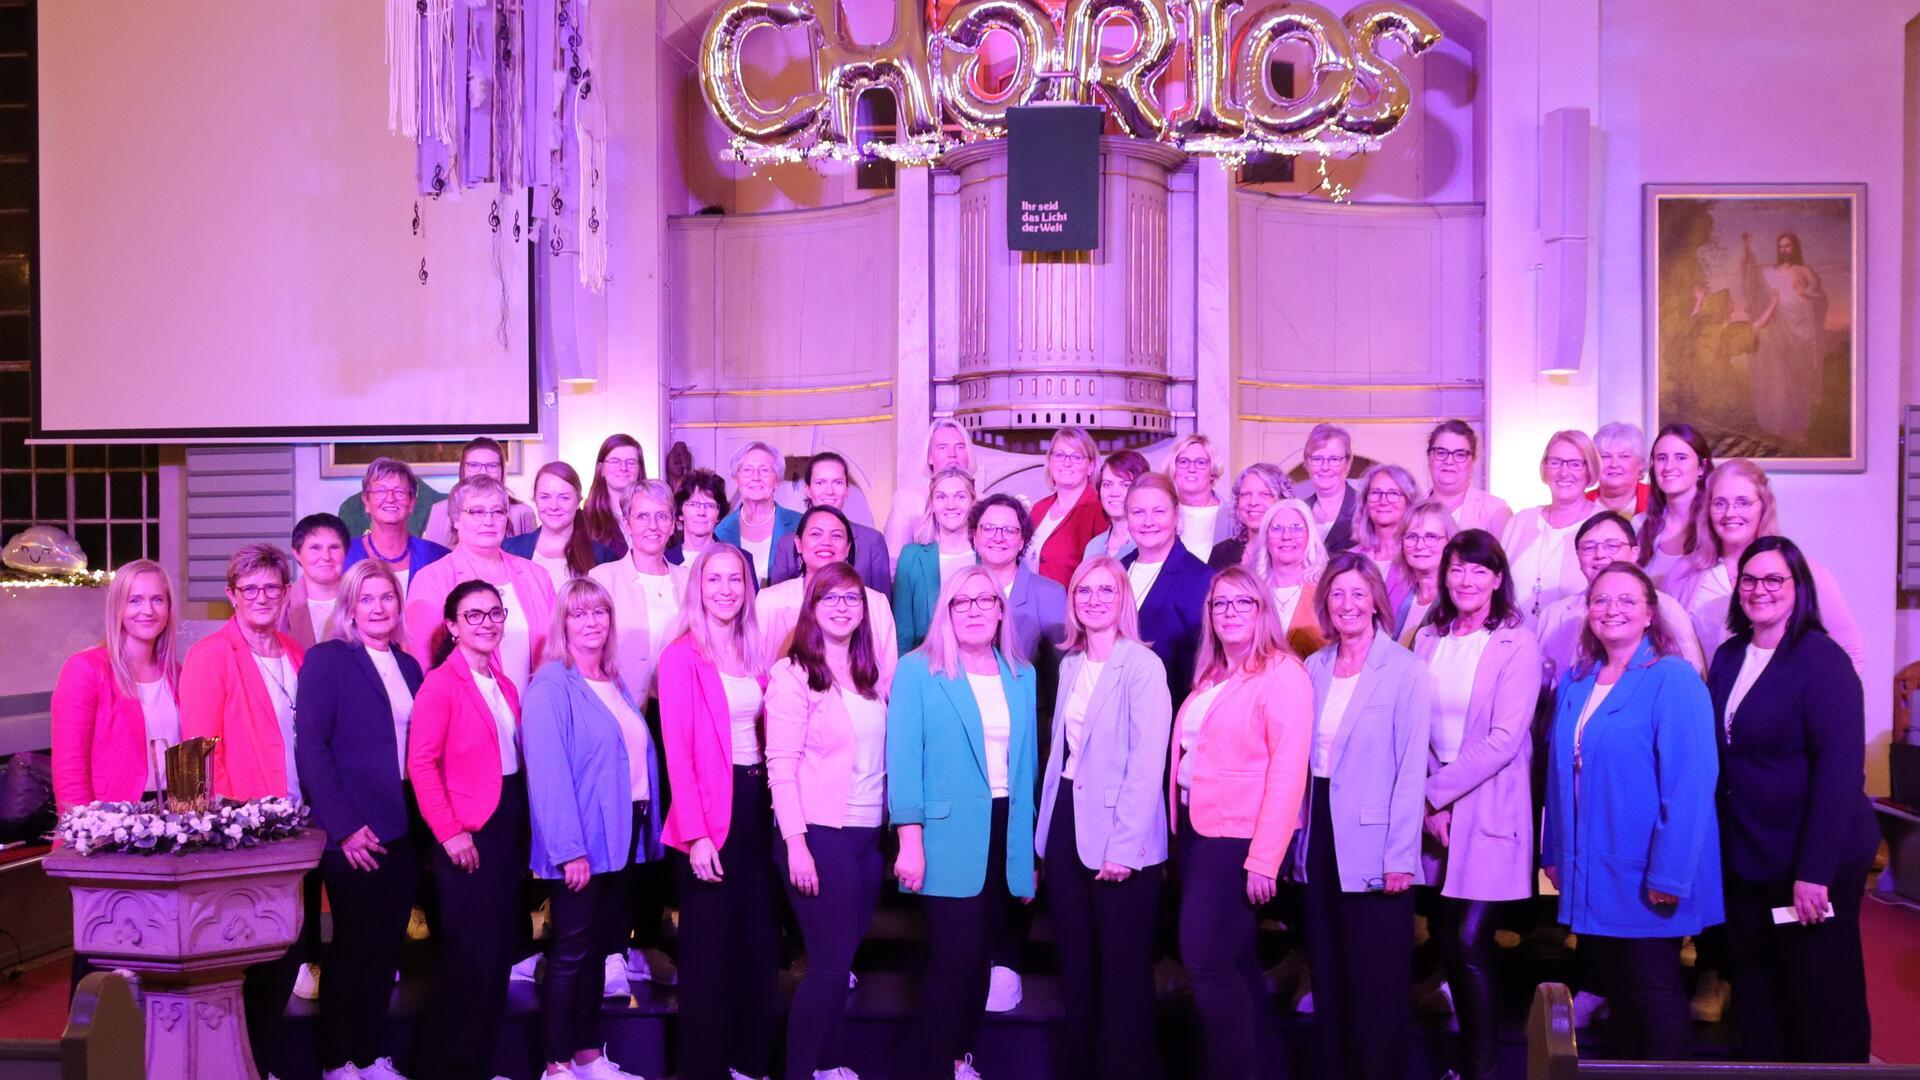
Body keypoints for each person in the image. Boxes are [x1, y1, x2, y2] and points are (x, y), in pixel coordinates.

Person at [1541, 561, 1722, 1062]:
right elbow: (1560, 775)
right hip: (1593, 869)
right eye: (1600, 600)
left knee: (1652, 992)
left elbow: (1690, 785)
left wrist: (1669, 871)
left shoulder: (1673, 678)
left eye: (1626, 600)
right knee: (1619, 996)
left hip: (1647, 872)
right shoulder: (1579, 681)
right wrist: (1554, 849)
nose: (1611, 609)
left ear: (1649, 614)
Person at [1710, 536, 1877, 1063]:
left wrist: (1814, 872)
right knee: (1756, 990)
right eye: (1750, 580)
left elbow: (1839, 775)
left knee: (1821, 993)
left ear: (1799, 587)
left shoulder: (1822, 661)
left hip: (1810, 860)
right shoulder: (1730, 654)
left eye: (1774, 579)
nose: (1760, 590)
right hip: (1750, 854)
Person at [888, 566, 1038, 1080]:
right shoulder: (917, 670)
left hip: (1005, 832)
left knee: (981, 962)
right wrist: (910, 841)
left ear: (1001, 609)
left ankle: (958, 1060)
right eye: (962, 602)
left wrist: (1028, 850)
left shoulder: (1022, 674)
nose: (974, 610)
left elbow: (1027, 768)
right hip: (946, 834)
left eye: (984, 600)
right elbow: (904, 760)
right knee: (954, 960)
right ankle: (935, 1069)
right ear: (947, 612)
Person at [1168, 566, 1312, 1080]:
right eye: (1220, 604)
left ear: (1263, 611)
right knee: (1236, 964)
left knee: (1205, 959)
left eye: (1242, 603)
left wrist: (1265, 858)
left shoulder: (1282, 672)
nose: (1229, 613)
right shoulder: (1213, 672)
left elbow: (1289, 769)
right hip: (1198, 830)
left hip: (1237, 837)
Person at [1293, 553, 1431, 1080]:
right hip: (1321, 836)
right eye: (1337, 593)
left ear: (1376, 599)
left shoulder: (1404, 669)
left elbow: (1410, 768)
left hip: (1377, 845)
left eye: (1358, 593)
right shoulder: (1316, 666)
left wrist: (1401, 857)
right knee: (1328, 977)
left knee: (1375, 989)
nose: (1348, 604)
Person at [1035, 556, 1172, 1080]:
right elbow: (1059, 760)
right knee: (1078, 966)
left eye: (1105, 591)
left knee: (1122, 972)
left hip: (1121, 833)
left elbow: (1146, 761)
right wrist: (1044, 838)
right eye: (1083, 591)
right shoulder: (1069, 664)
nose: (1093, 600)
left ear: (1123, 600)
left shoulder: (1142, 665)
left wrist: (1124, 846)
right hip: (1069, 821)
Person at [1411, 529, 1542, 1080]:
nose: (1465, 580)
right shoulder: (1427, 637)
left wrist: (1437, 795)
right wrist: (1424, 798)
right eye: (1456, 568)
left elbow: (1505, 739)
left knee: (1469, 939)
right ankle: (1469, 1063)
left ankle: (1483, 1069)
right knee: (1445, 935)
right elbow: (1410, 723)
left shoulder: (1518, 641)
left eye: (1478, 570)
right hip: (1431, 811)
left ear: (1496, 578)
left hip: (1487, 807)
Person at [521, 578, 662, 1080]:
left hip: (622, 836)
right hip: (581, 843)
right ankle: (556, 1063)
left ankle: (586, 1056)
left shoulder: (614, 679)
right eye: (579, 614)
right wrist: (569, 850)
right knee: (570, 956)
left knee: (599, 954)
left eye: (599, 613)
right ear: (563, 622)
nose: (592, 623)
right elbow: (548, 774)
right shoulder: (551, 685)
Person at [178, 544, 309, 1078]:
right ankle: (238, 1064)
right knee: (248, 957)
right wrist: (225, 826)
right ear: (232, 595)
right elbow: (195, 755)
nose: (260, 597)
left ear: (285, 593)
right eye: (248, 588)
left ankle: (262, 1062)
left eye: (271, 588)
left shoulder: (296, 651)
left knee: (289, 949)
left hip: (299, 823)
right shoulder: (212, 654)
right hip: (244, 832)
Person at [294, 559, 425, 1080]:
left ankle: (369, 1056)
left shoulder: (409, 665)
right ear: (350, 607)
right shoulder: (328, 660)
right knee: (352, 948)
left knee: (385, 947)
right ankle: (338, 1061)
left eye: (386, 597)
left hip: (402, 826)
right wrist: (344, 826)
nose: (378, 607)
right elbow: (312, 751)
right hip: (353, 832)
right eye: (366, 598)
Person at [765, 562, 896, 1080]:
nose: (843, 608)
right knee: (825, 967)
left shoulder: (871, 677)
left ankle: (829, 1063)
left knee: (842, 966)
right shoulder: (793, 673)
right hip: (820, 834)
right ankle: (799, 1072)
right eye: (831, 598)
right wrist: (796, 844)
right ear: (812, 609)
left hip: (867, 837)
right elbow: (781, 765)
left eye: (852, 598)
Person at [657, 545, 779, 1080]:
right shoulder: (681, 654)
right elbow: (677, 751)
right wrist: (696, 833)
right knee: (707, 957)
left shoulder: (757, 650)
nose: (727, 589)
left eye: (736, 579)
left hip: (757, 806)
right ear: (698, 587)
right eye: (716, 579)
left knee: (756, 947)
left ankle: (748, 1063)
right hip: (708, 813)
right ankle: (703, 1069)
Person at [408, 581, 529, 1080]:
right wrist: (450, 833)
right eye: (473, 615)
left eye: (494, 613)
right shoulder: (441, 683)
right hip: (468, 833)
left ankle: (478, 1065)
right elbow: (421, 763)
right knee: (466, 961)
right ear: (453, 627)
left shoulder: (503, 684)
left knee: (496, 954)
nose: (486, 623)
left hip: (507, 828)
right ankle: (445, 1069)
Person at [967, 492, 1067, 1011]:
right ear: (974, 533)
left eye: (1009, 529)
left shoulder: (1050, 595)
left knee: (1016, 854)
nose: (999, 537)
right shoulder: (956, 590)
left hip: (1028, 746)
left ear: (1024, 538)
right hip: (967, 749)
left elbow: (1057, 686)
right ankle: (974, 955)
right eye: (989, 527)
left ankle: (1007, 960)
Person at [587, 480, 687, 993]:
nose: (652, 525)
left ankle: (648, 938)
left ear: (675, 523)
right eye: (641, 516)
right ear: (625, 523)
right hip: (623, 718)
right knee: (623, 830)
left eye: (661, 516)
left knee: (668, 832)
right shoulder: (602, 578)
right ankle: (609, 948)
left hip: (681, 724)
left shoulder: (691, 579)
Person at [1668, 459, 1865, 671]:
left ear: (1764, 505)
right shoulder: (1685, 572)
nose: (1730, 513)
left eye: (1743, 502)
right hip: (1706, 702)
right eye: (1720, 503)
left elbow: (1851, 651)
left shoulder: (1802, 570)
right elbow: (1664, 648)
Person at [403, 476, 557, 695]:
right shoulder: (431, 579)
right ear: (455, 519)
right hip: (467, 717)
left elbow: (557, 651)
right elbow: (423, 666)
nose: (489, 520)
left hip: (535, 712)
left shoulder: (537, 576)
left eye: (498, 511)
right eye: (476, 512)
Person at [52, 559, 181, 811]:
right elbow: (70, 768)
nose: (148, 611)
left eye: (157, 600)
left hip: (172, 815)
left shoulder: (177, 674)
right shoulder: (85, 669)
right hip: (109, 819)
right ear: (117, 607)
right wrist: (84, 829)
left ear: (168, 608)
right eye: (135, 600)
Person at [1535, 512, 1703, 684]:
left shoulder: (1664, 607)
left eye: (1612, 546)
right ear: (1578, 557)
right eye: (1589, 548)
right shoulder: (1554, 615)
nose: (1600, 554)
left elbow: (1692, 674)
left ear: (1634, 553)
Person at [757, 505, 900, 668]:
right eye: (816, 534)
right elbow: (756, 669)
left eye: (837, 536)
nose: (826, 542)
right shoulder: (769, 601)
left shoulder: (876, 604)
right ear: (798, 543)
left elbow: (888, 677)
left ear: (848, 548)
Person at [1119, 475, 1213, 711]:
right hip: (1115, 710)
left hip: (1169, 709)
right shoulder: (1117, 569)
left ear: (1176, 515)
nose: (1148, 521)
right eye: (1138, 512)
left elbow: (1206, 659)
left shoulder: (1200, 577)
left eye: (1159, 511)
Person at [1502, 430, 1600, 626]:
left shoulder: (1604, 524)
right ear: (1545, 468)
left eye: (1574, 464)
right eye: (1555, 462)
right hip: (1515, 646)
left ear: (1589, 469)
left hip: (1576, 650)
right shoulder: (1520, 522)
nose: (1564, 472)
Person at [769, 451, 895, 597]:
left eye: (838, 482)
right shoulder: (787, 544)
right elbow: (776, 601)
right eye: (820, 483)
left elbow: (882, 605)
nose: (829, 491)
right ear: (808, 490)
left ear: (847, 489)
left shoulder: (872, 541)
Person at [1742, 231, 1826, 444]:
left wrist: (1805, 294)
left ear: (1795, 248)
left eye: (1788, 246)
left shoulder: (1805, 271)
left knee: (1798, 381)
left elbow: (1820, 298)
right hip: (1777, 327)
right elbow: (1753, 275)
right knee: (1778, 378)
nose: (1784, 250)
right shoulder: (1772, 271)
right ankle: (1776, 426)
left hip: (1800, 332)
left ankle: (1797, 428)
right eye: (1781, 246)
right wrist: (1747, 250)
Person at [892, 467, 979, 654]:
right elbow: (903, 631)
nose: (951, 505)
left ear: (973, 502)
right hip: (926, 665)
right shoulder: (911, 557)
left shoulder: (986, 556)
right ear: (931, 504)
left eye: (960, 497)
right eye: (941, 497)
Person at [504, 461, 618, 592]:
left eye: (564, 498)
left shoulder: (602, 557)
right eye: (545, 497)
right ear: (535, 499)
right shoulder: (510, 549)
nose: (554, 506)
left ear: (578, 502)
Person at [345, 457, 451, 591]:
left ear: (412, 502)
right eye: (380, 491)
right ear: (366, 501)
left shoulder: (436, 556)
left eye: (399, 492)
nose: (390, 499)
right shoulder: (345, 554)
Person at [884, 418, 976, 562]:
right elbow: (894, 560)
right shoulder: (908, 500)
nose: (952, 454)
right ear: (929, 457)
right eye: (942, 448)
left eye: (960, 447)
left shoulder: (984, 502)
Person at [1246, 498, 1328, 658]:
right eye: (1276, 529)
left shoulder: (1326, 591)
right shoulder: (1251, 592)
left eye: (1296, 528)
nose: (1286, 536)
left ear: (1309, 535)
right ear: (1265, 537)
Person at [1026, 427, 1108, 586]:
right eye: (1060, 455)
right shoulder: (1039, 509)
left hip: (1072, 607)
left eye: (1076, 457)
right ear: (1050, 461)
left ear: (1090, 466)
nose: (1067, 463)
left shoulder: (1099, 510)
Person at [1635, 423, 1713, 588]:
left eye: (1681, 457)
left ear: (1702, 467)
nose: (1669, 467)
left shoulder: (1716, 527)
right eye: (1662, 458)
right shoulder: (1637, 525)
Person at [714, 440, 800, 587]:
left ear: (777, 481)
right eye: (747, 470)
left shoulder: (799, 524)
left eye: (765, 470)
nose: (756, 477)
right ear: (736, 480)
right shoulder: (721, 531)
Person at [422, 438, 537, 546]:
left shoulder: (523, 513)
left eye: (492, 466)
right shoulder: (440, 510)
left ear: (502, 471)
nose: (482, 472)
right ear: (463, 469)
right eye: (474, 465)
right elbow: (430, 559)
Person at [1385, 499, 1455, 644]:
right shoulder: (1401, 596)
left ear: (1450, 542)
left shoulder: (1455, 601)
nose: (1420, 545)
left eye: (1431, 537)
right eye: (1412, 537)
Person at [1424, 420, 1511, 536]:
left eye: (1460, 454)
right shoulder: (1411, 509)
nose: (1449, 461)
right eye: (1441, 453)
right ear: (1429, 458)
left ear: (1473, 461)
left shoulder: (1495, 511)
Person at [1166, 433, 1237, 563]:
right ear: (1174, 469)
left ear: (1212, 472)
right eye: (1183, 462)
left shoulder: (1232, 517)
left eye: (1200, 462)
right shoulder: (1162, 512)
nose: (1191, 468)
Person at [285, 513, 350, 649]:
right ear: (297, 553)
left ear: (346, 551)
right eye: (315, 548)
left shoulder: (364, 599)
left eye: (334, 548)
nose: (326, 557)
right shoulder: (280, 605)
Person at [1210, 463, 1290, 571]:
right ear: (1237, 502)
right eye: (1246, 494)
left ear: (1282, 500)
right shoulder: (1221, 553)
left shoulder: (1289, 551)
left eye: (1265, 494)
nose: (1253, 502)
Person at [581, 434, 646, 557]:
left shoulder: (655, 515)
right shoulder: (585, 520)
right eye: (615, 461)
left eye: (631, 462)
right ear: (601, 469)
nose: (623, 468)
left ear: (640, 469)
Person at [1300, 423, 1360, 556]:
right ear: (1307, 463)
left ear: (1348, 463)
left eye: (1334, 459)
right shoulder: (1298, 511)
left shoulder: (1365, 510)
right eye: (1317, 459)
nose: (1325, 467)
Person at [1352, 464, 1420, 576]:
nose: (1383, 501)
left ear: (1409, 501)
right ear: (1365, 502)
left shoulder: (1419, 555)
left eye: (1393, 493)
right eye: (1375, 493)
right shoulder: (1351, 558)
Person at [1083, 450, 1151, 561]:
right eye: (1107, 484)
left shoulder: (1149, 544)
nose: (1114, 493)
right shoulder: (1093, 547)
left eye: (1125, 485)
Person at [668, 468, 729, 566]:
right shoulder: (665, 561)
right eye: (693, 504)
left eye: (709, 505)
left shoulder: (739, 559)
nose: (701, 512)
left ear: (718, 514)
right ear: (680, 513)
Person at [1588, 422, 1652, 514]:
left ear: (1640, 463)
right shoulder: (1577, 505)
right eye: (1605, 456)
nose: (1614, 464)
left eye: (1624, 456)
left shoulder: (1660, 501)